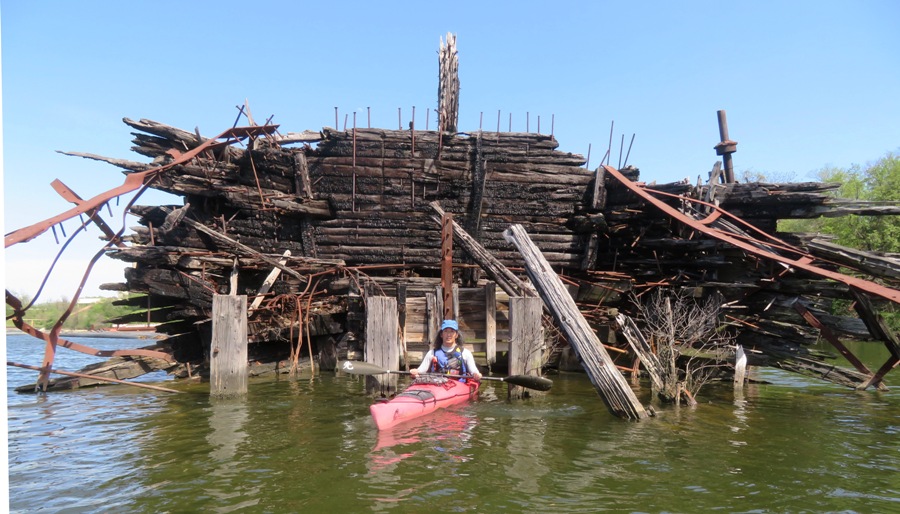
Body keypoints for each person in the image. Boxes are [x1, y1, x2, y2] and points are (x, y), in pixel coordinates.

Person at [410, 319, 483, 381]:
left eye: (452, 331)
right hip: (437, 384)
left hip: (458, 384)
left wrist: (476, 374)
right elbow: (421, 370)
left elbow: (474, 371)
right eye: (446, 331)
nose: (449, 334)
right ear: (441, 334)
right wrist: (415, 372)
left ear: (456, 335)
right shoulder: (432, 353)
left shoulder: (465, 353)